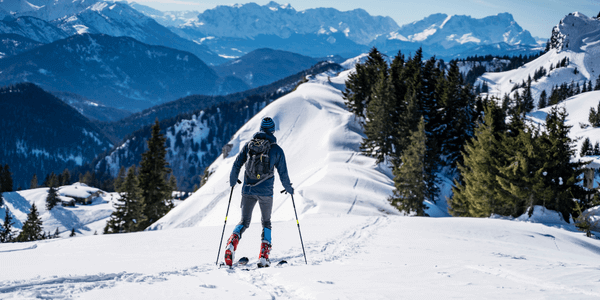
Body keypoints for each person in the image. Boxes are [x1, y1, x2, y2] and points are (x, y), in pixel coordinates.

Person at [225, 117, 294, 267]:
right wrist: (289, 189)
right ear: (273, 131)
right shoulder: (276, 150)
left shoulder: (249, 146)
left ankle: (231, 243)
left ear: (261, 129)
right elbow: (283, 174)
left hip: (248, 190)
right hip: (266, 192)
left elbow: (237, 164)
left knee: (244, 222)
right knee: (266, 223)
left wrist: (232, 181)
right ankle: (264, 255)